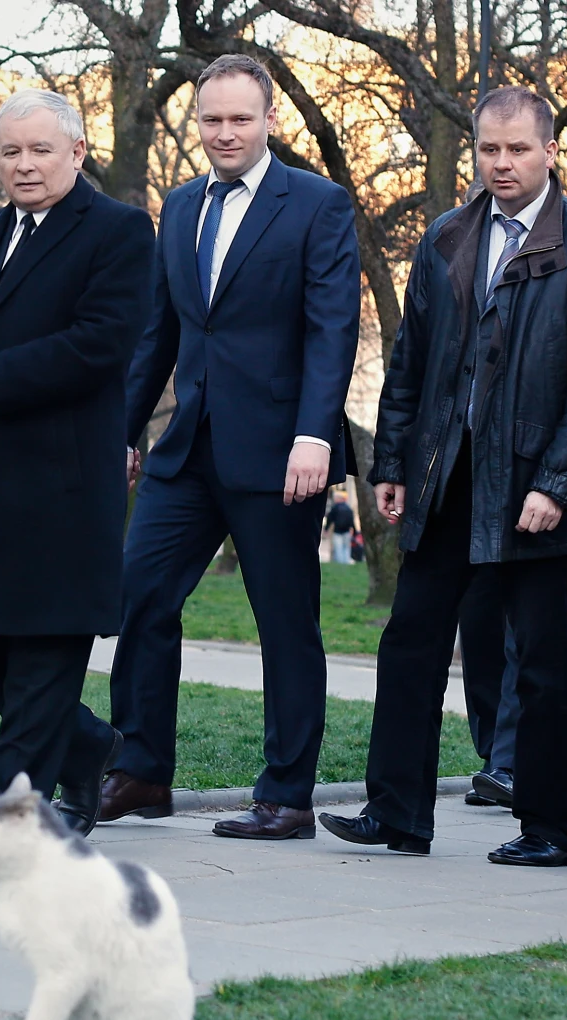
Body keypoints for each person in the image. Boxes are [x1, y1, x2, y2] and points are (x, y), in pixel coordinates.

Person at [318, 87, 567, 867]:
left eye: (517, 149)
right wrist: (391, 462)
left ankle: (553, 829)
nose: (501, 163)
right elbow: (411, 360)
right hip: (444, 479)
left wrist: (555, 484)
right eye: (489, 149)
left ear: (549, 151)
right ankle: (396, 813)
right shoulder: (448, 235)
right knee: (410, 644)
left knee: (545, 666)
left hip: (533, 490)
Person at [97, 54, 361, 841]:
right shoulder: (178, 209)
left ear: (269, 120)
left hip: (282, 451)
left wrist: (315, 434)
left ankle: (287, 795)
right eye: (212, 119)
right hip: (187, 452)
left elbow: (331, 329)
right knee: (140, 596)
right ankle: (141, 768)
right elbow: (159, 332)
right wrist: (122, 430)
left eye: (240, 119)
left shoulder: (317, 204)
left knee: (285, 624)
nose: (225, 133)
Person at [0, 89, 155, 862]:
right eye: (10, 152)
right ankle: (86, 748)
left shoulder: (118, 231)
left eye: (40, 149)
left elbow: (101, 343)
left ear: (77, 152)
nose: (24, 164)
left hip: (62, 488)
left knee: (46, 649)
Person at [457, 572, 519, 807]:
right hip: (476, 544)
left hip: (529, 543)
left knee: (520, 646)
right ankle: (494, 757)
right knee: (478, 632)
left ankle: (509, 764)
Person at [325, 491, 355, 564]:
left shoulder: (335, 508)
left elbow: (330, 518)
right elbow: (351, 521)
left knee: (338, 548)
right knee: (346, 547)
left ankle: (340, 562)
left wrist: (326, 528)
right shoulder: (349, 508)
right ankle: (346, 561)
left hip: (337, 531)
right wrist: (354, 530)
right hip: (346, 531)